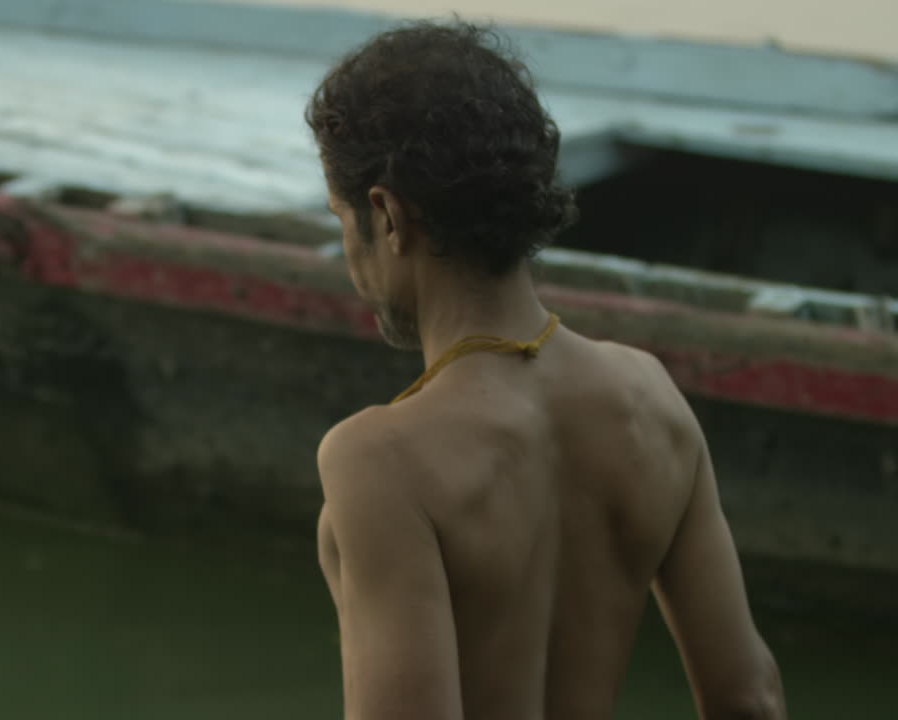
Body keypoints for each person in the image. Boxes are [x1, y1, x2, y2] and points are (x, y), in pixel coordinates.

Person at [306, 21, 786, 720]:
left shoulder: (379, 461)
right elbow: (752, 699)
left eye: (339, 217)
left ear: (386, 215)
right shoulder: (651, 399)